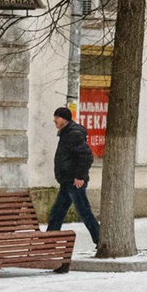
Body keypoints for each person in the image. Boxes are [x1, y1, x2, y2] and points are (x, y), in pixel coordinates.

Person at [45, 106, 101, 249]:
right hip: (67, 181)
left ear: (64, 119)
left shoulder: (73, 134)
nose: (54, 120)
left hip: (74, 181)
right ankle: (48, 242)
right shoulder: (66, 133)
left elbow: (86, 157)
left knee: (84, 212)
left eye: (57, 117)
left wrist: (79, 176)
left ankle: (100, 240)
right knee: (57, 212)